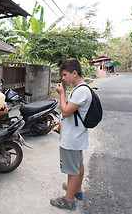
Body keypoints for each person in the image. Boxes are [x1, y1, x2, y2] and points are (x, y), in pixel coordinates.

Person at [50, 58, 92, 210]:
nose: (63, 78)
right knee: (78, 164)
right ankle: (77, 190)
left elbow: (66, 111)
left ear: (74, 73)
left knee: (72, 170)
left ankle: (69, 200)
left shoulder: (81, 90)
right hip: (76, 135)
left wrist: (61, 94)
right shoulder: (81, 88)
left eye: (65, 74)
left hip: (72, 138)